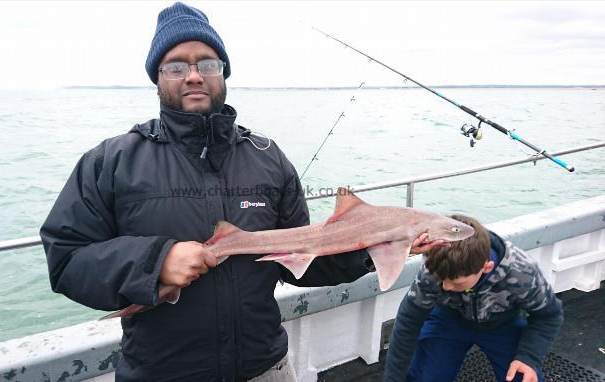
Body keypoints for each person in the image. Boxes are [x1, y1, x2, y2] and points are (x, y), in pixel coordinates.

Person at [40, 2, 442, 380]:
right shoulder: (112, 160)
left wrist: (376, 246)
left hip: (265, 365)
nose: (194, 75)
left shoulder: (268, 158)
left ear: (223, 73)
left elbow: (302, 262)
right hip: (161, 372)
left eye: (207, 63)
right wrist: (155, 262)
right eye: (176, 65)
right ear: (157, 78)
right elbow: (67, 259)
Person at [383, 215, 564, 382]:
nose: (445, 287)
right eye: (442, 280)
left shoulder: (521, 271)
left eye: (456, 283)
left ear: (486, 267)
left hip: (502, 325)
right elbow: (408, 322)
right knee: (425, 378)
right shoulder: (434, 270)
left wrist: (529, 357)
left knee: (522, 377)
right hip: (448, 320)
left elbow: (549, 315)